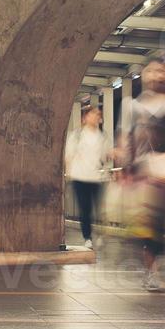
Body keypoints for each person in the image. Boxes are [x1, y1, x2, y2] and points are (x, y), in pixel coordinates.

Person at [119, 58, 165, 293]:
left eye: (159, 71)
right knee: (146, 221)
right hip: (141, 169)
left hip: (163, 169)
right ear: (144, 76)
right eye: (150, 71)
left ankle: (151, 266)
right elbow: (125, 138)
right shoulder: (132, 105)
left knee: (156, 221)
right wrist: (124, 164)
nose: (155, 75)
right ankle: (150, 268)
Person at [65, 104, 110, 248]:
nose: (97, 117)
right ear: (85, 117)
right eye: (94, 114)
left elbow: (105, 156)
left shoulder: (103, 136)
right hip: (79, 177)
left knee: (100, 208)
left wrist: (112, 154)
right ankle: (87, 237)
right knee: (85, 208)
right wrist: (68, 172)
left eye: (98, 114)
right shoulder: (76, 135)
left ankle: (101, 233)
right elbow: (69, 155)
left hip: (96, 177)